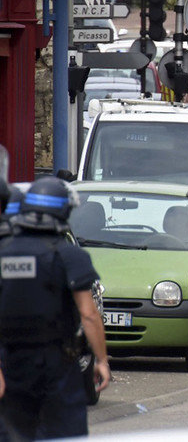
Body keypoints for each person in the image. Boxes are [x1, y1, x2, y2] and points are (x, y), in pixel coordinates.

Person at [0, 178, 111, 439]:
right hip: (57, 363)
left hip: (9, 361)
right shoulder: (70, 256)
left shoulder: (4, 252)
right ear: (64, 211)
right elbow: (88, 313)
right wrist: (102, 360)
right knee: (64, 432)